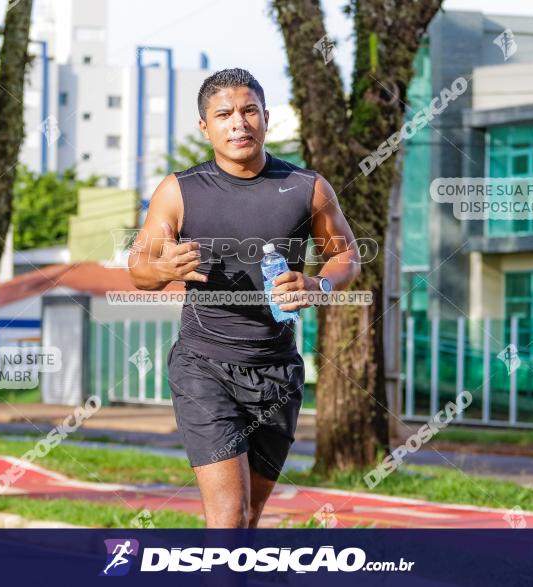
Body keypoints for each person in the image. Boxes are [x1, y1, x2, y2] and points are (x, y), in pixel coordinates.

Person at [129, 68, 360, 528]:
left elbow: (347, 255)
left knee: (250, 516)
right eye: (224, 114)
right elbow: (139, 269)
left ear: (266, 117)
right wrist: (161, 269)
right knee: (229, 515)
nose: (239, 123)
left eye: (249, 110)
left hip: (276, 371)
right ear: (205, 127)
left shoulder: (306, 187)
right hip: (204, 366)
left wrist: (319, 285)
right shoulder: (179, 191)